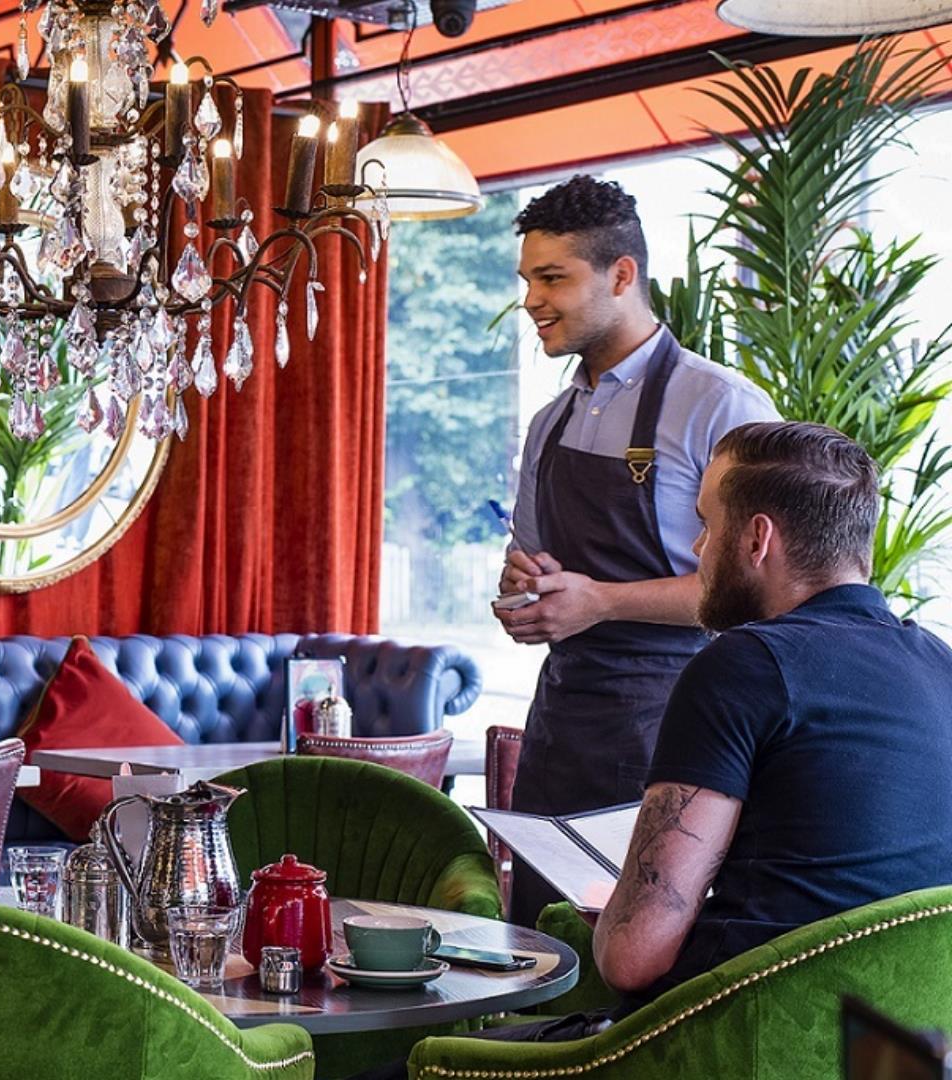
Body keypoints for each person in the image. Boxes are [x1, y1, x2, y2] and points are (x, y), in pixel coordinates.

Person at [349, 421, 952, 1078]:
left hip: (713, 1049)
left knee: (401, 1068)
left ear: (757, 539)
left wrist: (618, 913)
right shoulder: (939, 666)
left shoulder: (744, 665)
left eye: (707, 524)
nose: (697, 549)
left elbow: (634, 955)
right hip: (876, 1057)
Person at [495, 176, 778, 925]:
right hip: (559, 728)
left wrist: (601, 602)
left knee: (637, 957)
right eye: (528, 278)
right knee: (539, 954)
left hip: (674, 729)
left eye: (553, 278)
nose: (532, 299)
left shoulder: (721, 406)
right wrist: (526, 592)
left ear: (622, 275)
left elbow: (759, 593)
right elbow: (523, 555)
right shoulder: (550, 421)